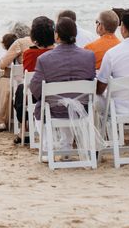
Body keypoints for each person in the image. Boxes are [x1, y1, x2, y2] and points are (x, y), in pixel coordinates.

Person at [30, 18, 96, 149]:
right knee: (68, 99)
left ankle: (46, 146)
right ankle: (66, 145)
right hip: (82, 109)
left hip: (54, 110)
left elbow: (35, 88)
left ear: (57, 36)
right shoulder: (89, 56)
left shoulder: (44, 59)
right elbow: (91, 81)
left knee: (40, 105)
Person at [12, 16, 56, 141]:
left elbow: (28, 76)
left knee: (21, 90)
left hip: (36, 95)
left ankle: (24, 128)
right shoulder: (58, 52)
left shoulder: (29, 54)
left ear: (34, 37)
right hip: (56, 93)